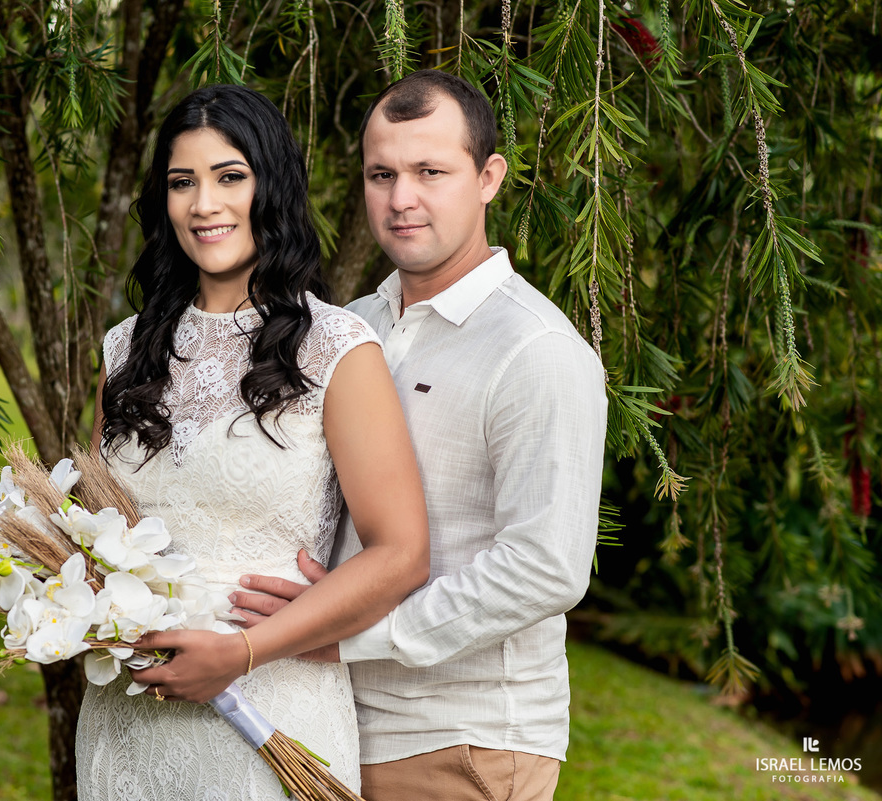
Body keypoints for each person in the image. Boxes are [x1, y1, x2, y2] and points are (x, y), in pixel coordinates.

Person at [231, 70, 608, 801]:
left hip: (462, 739)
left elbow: (546, 566)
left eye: (430, 171)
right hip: (328, 719)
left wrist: (344, 635)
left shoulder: (534, 350)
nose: (401, 199)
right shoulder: (352, 327)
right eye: (382, 174)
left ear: (488, 177)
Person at [78, 84, 430, 800]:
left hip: (270, 711)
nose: (204, 204)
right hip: (124, 723)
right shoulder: (124, 350)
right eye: (183, 182)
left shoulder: (336, 348)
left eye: (229, 176)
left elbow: (402, 552)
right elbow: (89, 529)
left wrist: (241, 651)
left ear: (270, 186)